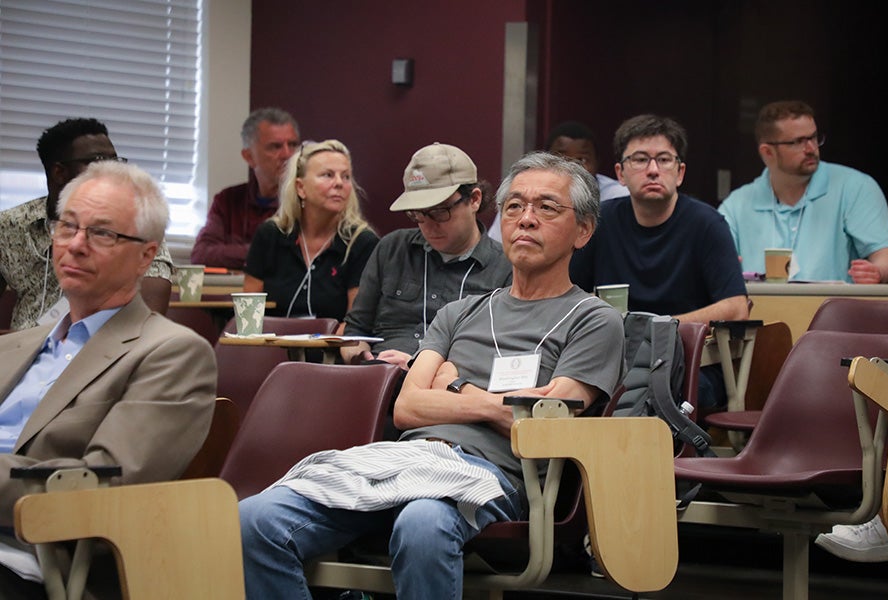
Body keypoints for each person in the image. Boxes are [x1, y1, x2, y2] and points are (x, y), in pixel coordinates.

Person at [239, 151, 625, 600]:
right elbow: (407, 408)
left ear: (583, 230)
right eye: (515, 206)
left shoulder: (594, 319)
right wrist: (495, 403)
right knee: (254, 519)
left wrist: (453, 385)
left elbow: (541, 425)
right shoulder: (459, 313)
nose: (526, 219)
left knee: (422, 523)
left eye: (547, 207)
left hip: (494, 475)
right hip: (407, 458)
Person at [0, 160, 217, 597]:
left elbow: (102, 487)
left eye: (102, 233)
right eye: (67, 226)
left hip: (35, 560)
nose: (76, 245)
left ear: (146, 256)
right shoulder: (13, 346)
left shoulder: (172, 353)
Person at [569, 114, 748, 408]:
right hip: (612, 358)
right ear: (620, 173)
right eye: (640, 160)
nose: (653, 170)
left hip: (688, 362)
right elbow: (568, 293)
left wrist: (659, 330)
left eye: (664, 160)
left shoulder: (707, 224)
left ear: (680, 173)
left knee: (645, 397)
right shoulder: (600, 221)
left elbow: (736, 307)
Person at [341, 142, 512, 370]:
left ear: (474, 199)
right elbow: (355, 330)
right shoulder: (392, 248)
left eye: (440, 212)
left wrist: (417, 366)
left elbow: (503, 353)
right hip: (377, 375)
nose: (429, 225)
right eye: (418, 214)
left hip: (450, 382)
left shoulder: (505, 266)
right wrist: (361, 357)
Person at [0, 118, 175, 331]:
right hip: (24, 346)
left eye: (115, 161)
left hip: (101, 345)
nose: (113, 172)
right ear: (59, 173)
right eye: (99, 162)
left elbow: (146, 317)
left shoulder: (133, 224)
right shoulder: (11, 226)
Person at [718, 100, 888, 283]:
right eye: (798, 142)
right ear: (768, 152)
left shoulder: (856, 187)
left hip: (834, 302)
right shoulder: (736, 205)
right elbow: (714, 263)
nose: (811, 149)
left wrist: (877, 272)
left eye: (813, 137)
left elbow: (887, 259)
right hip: (759, 303)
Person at [243, 140, 378, 325]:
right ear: (300, 188)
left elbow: (355, 325)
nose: (339, 183)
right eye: (327, 175)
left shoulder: (362, 242)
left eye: (346, 176)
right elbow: (248, 318)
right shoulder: (270, 235)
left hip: (332, 343)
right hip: (271, 341)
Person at [190, 107, 301, 269]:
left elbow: (295, 255)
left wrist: (239, 251)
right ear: (249, 157)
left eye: (293, 145)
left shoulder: (308, 201)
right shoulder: (228, 200)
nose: (287, 155)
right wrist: (265, 250)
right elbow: (202, 254)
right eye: (275, 147)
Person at [487, 120, 628, 240]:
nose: (571, 167)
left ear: (597, 163)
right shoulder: (519, 197)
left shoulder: (619, 197)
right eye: (561, 158)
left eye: (582, 159)